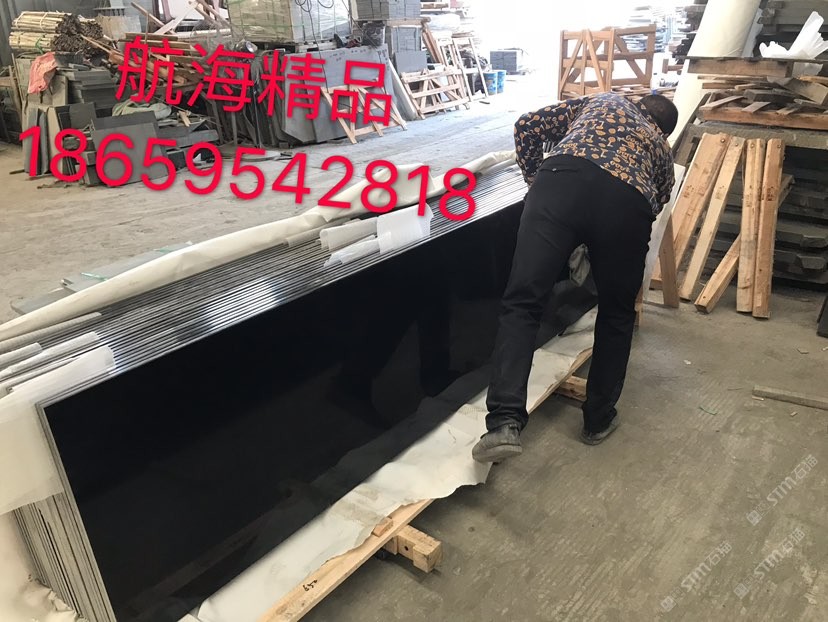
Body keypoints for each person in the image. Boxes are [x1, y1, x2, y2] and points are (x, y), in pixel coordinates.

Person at [472, 92, 678, 463]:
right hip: (627, 204)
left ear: (639, 103)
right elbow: (658, 201)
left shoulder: (604, 102)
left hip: (560, 182)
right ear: (664, 131)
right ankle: (598, 419)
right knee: (617, 314)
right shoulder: (661, 151)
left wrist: (534, 180)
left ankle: (503, 422)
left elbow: (526, 125)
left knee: (522, 303)